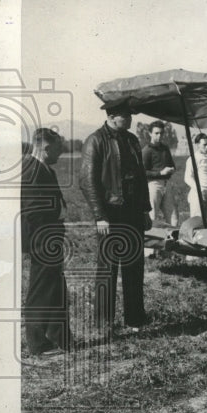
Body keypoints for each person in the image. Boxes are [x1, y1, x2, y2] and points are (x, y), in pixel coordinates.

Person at [80, 98, 151, 331]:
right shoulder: (95, 141)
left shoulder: (132, 140)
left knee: (134, 265)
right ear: (111, 117)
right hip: (110, 214)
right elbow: (87, 182)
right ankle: (104, 322)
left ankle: (135, 319)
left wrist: (145, 210)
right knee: (107, 268)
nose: (130, 119)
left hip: (133, 213)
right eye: (125, 116)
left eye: (130, 115)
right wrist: (100, 215)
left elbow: (141, 178)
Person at [20, 127, 72, 355]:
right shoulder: (32, 170)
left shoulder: (44, 168)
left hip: (50, 237)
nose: (61, 153)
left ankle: (57, 337)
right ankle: (37, 343)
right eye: (59, 149)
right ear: (46, 147)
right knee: (41, 290)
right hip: (42, 239)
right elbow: (32, 212)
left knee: (55, 287)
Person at [141, 120, 178, 227]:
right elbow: (142, 172)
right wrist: (160, 173)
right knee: (152, 215)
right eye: (156, 133)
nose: (159, 136)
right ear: (150, 133)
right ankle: (151, 240)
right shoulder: (146, 150)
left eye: (161, 133)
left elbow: (172, 165)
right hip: (153, 185)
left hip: (167, 184)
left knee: (173, 216)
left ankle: (172, 240)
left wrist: (172, 169)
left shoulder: (165, 148)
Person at [184, 132, 207, 221]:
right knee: (197, 222)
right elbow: (187, 178)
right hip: (198, 195)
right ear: (197, 145)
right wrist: (199, 190)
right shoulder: (192, 159)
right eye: (204, 145)